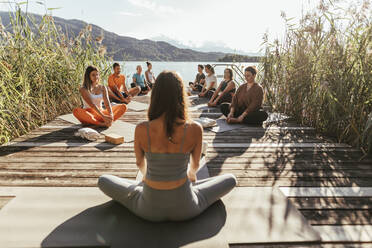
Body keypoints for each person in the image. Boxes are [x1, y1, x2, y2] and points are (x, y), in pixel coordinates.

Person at [98, 71, 237, 222]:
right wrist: (190, 174)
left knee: (103, 180)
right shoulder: (195, 128)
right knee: (230, 179)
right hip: (186, 207)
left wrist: (147, 177)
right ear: (181, 95)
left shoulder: (141, 128)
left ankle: (142, 187)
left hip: (148, 209)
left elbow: (140, 164)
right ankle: (180, 188)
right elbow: (194, 168)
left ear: (155, 96)